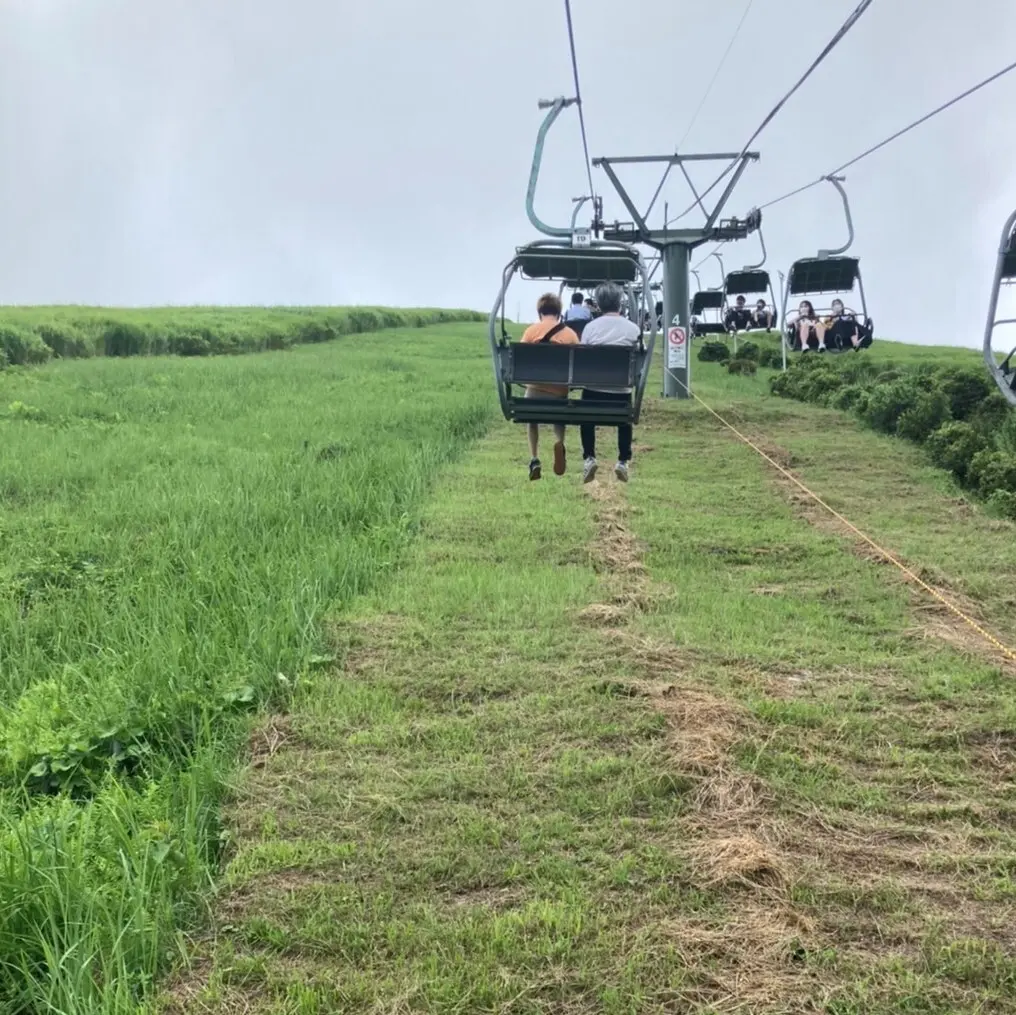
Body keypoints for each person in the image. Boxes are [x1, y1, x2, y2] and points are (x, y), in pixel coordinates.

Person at [578, 281, 641, 483]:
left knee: (585, 415)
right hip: (621, 393)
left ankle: (589, 456)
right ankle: (623, 460)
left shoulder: (590, 328)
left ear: (598, 304)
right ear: (620, 303)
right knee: (625, 419)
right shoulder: (633, 329)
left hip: (593, 392)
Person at [519, 293, 580, 481]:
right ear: (559, 313)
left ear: (540, 312)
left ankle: (534, 458)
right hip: (558, 392)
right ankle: (559, 441)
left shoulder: (531, 331)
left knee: (532, 420)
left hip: (534, 391)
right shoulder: (569, 334)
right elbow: (579, 362)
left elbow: (519, 359)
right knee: (558, 417)